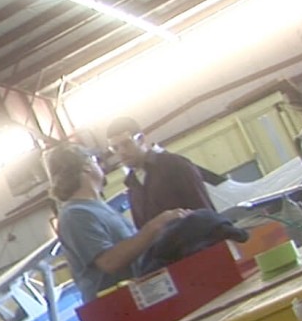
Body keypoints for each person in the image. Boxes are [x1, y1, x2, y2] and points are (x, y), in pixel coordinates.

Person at [45, 144, 187, 302]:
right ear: (86, 167)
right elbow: (109, 262)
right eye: (95, 160)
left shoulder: (97, 207)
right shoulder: (75, 215)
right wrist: (156, 226)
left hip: (138, 296)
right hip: (119, 306)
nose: (99, 165)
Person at [105, 116, 216, 228]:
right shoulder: (132, 185)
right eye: (115, 148)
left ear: (141, 139)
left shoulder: (174, 165)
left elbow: (205, 211)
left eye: (127, 144)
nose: (122, 152)